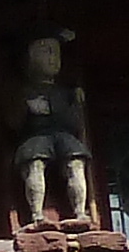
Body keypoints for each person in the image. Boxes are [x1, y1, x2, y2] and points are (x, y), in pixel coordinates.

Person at [6, 32, 95, 227]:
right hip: (37, 134)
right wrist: (28, 108)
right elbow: (13, 123)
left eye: (56, 53)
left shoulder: (66, 93)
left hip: (61, 134)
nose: (53, 58)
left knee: (75, 162)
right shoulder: (23, 92)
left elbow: (75, 124)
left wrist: (76, 105)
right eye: (46, 52)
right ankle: (37, 213)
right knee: (34, 163)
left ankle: (80, 211)